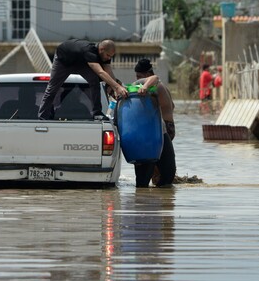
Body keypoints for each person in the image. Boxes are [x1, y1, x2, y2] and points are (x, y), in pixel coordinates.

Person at [38, 39, 128, 120]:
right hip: (63, 61)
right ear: (102, 49)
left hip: (80, 63)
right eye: (108, 55)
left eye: (111, 56)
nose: (109, 58)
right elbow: (100, 72)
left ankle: (96, 113)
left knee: (94, 81)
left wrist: (116, 85)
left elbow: (109, 72)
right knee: (52, 88)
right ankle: (42, 116)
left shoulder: (104, 54)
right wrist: (117, 87)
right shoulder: (89, 52)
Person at [132, 58, 176, 187]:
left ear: (147, 75)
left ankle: (155, 187)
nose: (137, 79)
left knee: (155, 164)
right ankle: (158, 189)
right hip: (169, 126)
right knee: (159, 163)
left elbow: (154, 78)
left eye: (139, 76)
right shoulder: (163, 86)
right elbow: (172, 105)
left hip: (161, 128)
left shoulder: (153, 84)